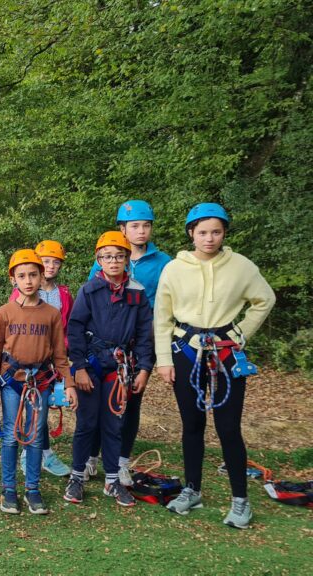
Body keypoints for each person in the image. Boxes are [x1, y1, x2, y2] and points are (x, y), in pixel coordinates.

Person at [154, 203, 275, 529]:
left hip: (224, 353)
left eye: (216, 232)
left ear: (224, 233)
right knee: (191, 425)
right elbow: (161, 317)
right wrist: (164, 360)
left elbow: (264, 299)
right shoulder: (174, 269)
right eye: (203, 232)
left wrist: (240, 334)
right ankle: (192, 489)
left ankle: (240, 500)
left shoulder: (241, 267)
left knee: (228, 428)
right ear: (191, 233)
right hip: (186, 350)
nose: (209, 238)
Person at [63, 232, 154, 508]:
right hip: (91, 363)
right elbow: (75, 328)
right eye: (107, 256)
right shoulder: (89, 290)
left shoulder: (137, 293)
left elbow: (144, 332)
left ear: (127, 258)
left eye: (119, 256)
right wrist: (78, 366)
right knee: (87, 422)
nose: (113, 261)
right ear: (98, 259)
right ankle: (77, 476)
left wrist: (144, 368)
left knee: (114, 424)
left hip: (120, 364)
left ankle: (112, 479)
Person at [85, 200, 172, 483]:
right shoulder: (108, 257)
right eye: (135, 226)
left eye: (146, 226)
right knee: (100, 400)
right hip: (105, 342)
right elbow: (91, 299)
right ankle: (91, 457)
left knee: (130, 401)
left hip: (139, 340)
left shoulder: (163, 263)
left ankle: (122, 461)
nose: (141, 231)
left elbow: (166, 303)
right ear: (122, 228)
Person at [0, 250, 75, 515]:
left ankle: (33, 489)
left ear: (41, 275)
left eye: (33, 274)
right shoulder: (5, 313)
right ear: (13, 279)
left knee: (35, 436)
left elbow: (60, 354)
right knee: (12, 435)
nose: (28, 280)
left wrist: (68, 383)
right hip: (13, 381)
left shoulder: (52, 314)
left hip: (41, 382)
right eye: (22, 275)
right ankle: (9, 489)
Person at [10, 240, 73, 477]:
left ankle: (44, 453)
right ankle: (29, 453)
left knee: (44, 407)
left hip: (52, 361)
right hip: (25, 362)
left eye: (56, 263)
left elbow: (67, 327)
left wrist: (63, 355)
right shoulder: (19, 294)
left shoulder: (63, 294)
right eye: (46, 261)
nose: (51, 266)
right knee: (30, 408)